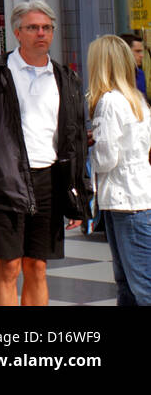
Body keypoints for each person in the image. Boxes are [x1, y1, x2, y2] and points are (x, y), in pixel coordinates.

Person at [0, 1, 91, 306]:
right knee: (10, 265)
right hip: (7, 179)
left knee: (38, 266)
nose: (41, 33)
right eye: (32, 27)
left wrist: (79, 191)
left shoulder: (64, 78)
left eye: (46, 28)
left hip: (50, 180)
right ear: (18, 32)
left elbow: (75, 137)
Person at [87, 35, 151, 306]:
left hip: (125, 201)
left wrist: (91, 145)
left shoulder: (109, 102)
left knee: (138, 286)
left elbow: (106, 159)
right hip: (137, 195)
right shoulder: (136, 98)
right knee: (133, 283)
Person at [121, 33, 146, 99]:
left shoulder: (140, 74)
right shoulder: (114, 76)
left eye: (141, 51)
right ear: (125, 52)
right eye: (137, 51)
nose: (141, 55)